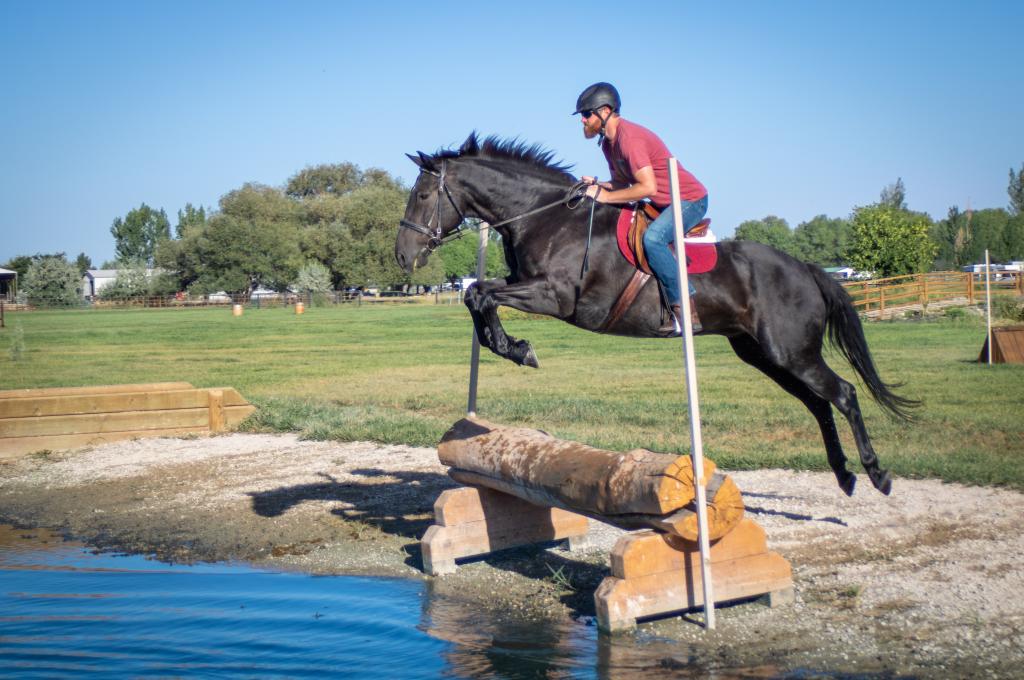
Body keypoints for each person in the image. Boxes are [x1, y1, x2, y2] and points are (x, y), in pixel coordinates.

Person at [574, 82, 708, 333]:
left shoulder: (630, 139)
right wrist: (598, 185)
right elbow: (621, 183)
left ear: (605, 111)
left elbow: (647, 187)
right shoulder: (608, 143)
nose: (582, 120)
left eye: (586, 114)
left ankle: (685, 307)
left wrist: (605, 197)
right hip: (661, 203)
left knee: (653, 239)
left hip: (690, 200)